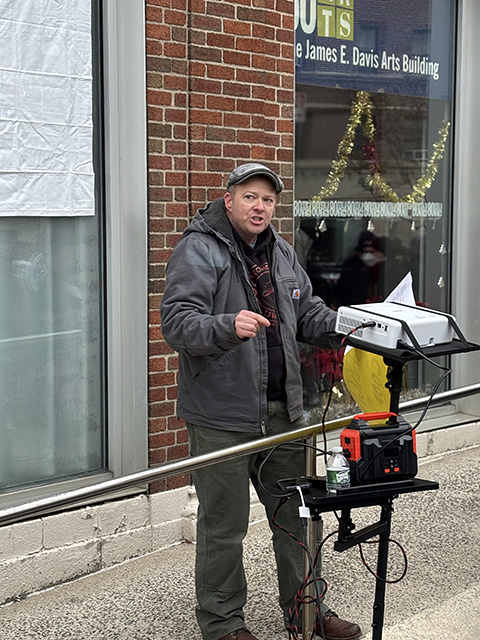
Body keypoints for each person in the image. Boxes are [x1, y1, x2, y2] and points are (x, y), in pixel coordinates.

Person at [160, 163, 362, 640]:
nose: (260, 207)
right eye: (250, 197)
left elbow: (307, 314)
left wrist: (350, 324)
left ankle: (307, 611)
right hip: (221, 417)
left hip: (284, 413)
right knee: (223, 527)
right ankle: (224, 625)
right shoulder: (199, 248)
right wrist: (225, 326)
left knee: (297, 518)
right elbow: (176, 322)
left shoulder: (283, 252)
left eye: (268, 200)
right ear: (228, 200)